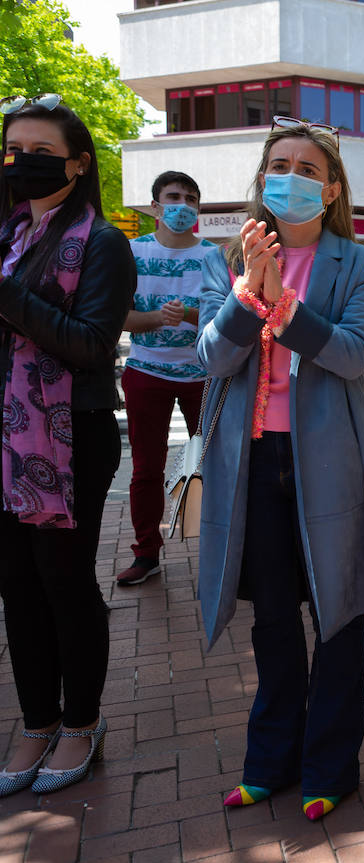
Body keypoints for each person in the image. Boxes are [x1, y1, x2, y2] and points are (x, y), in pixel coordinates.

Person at [196, 117, 364, 821]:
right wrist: (250, 291)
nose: (290, 177)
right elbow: (212, 359)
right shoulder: (230, 257)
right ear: (261, 177)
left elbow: (351, 355)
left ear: (332, 186)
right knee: (273, 621)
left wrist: (284, 304)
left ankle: (331, 767)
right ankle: (269, 760)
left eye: (307, 168)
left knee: (337, 618)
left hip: (329, 466)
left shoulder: (360, 264)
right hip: (252, 463)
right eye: (279, 164)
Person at [0, 96, 135, 797]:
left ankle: (81, 721)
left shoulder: (102, 243)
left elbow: (89, 345)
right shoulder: (8, 232)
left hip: (68, 438)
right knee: (15, 587)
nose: (20, 160)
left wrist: (6, 294)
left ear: (78, 163)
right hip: (4, 439)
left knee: (64, 583)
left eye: (38, 150)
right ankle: (35, 720)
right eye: (10, 147)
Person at [116, 170, 219, 587]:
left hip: (205, 375)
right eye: (173, 197)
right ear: (155, 206)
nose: (183, 206)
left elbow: (227, 317)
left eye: (191, 199)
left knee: (214, 463)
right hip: (145, 373)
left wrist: (191, 315)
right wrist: (158, 318)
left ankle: (220, 546)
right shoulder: (130, 253)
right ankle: (146, 553)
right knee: (146, 468)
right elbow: (116, 316)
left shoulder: (214, 255)